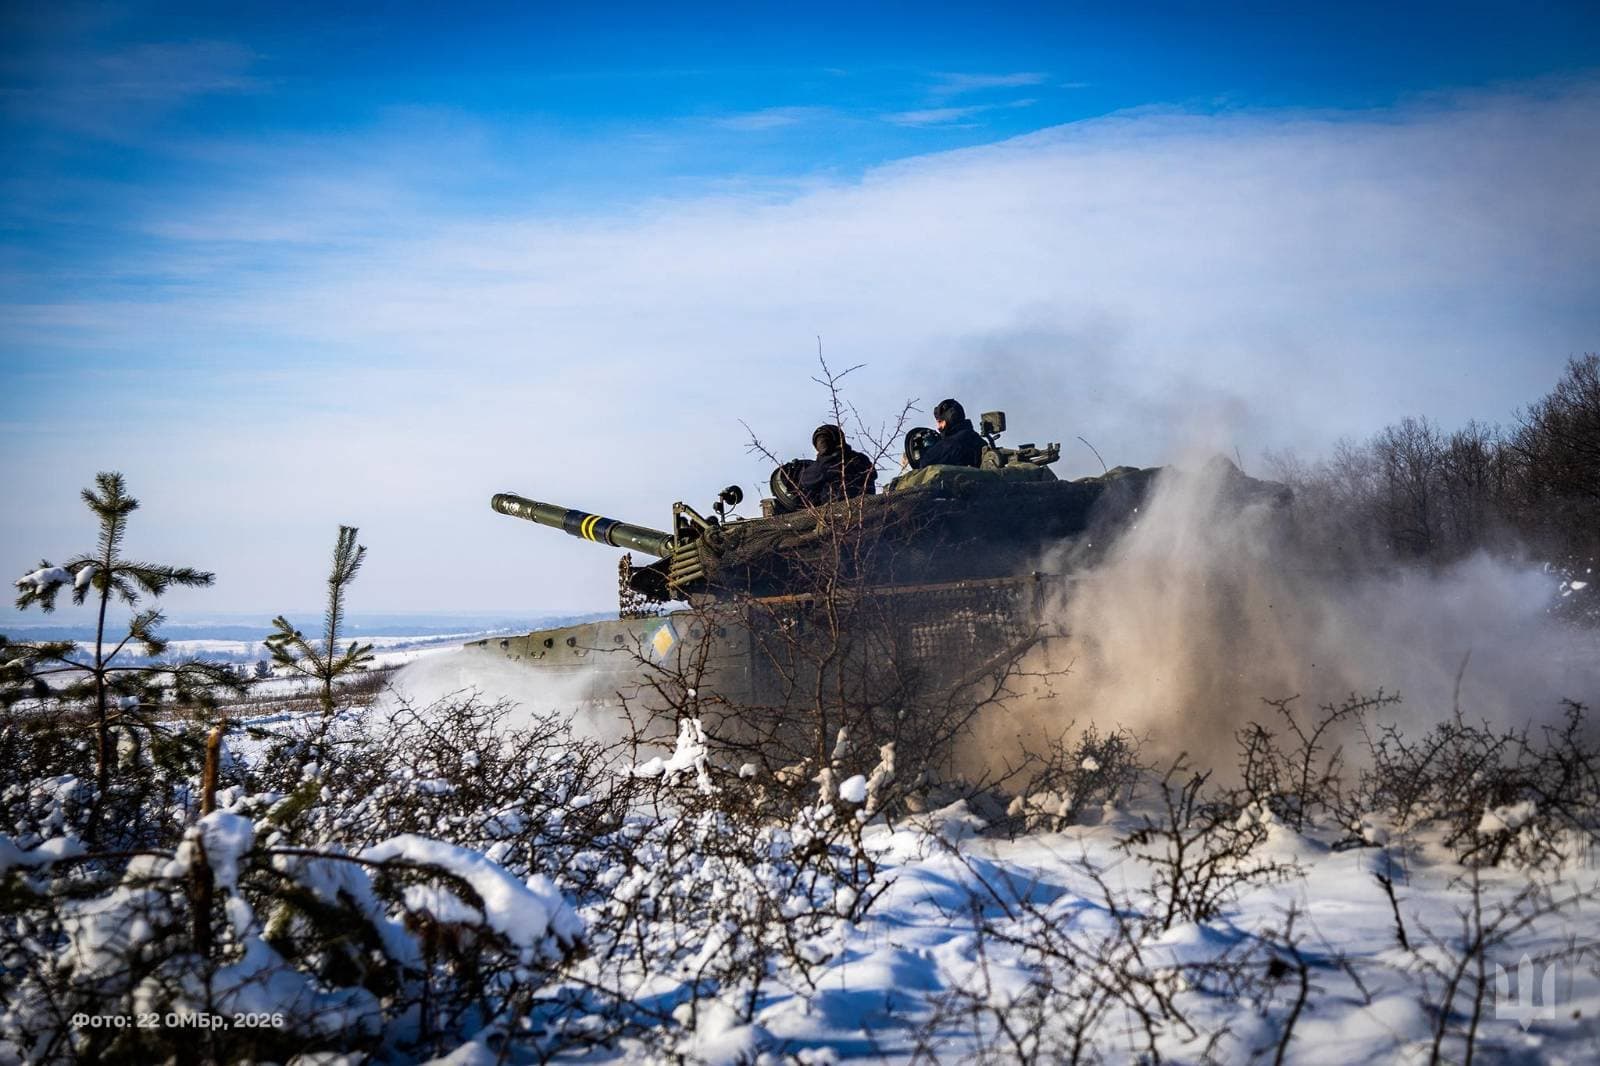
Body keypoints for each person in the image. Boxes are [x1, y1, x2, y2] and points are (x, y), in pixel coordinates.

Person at [797, 424, 877, 505]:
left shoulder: (828, 463)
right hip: (867, 503)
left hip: (840, 507)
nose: (821, 444)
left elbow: (805, 481)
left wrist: (798, 471)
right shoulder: (861, 457)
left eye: (823, 440)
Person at [910, 398, 984, 469]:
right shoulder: (972, 437)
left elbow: (926, 464)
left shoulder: (955, 442)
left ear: (950, 419)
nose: (938, 427)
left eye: (940, 422)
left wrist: (924, 451)